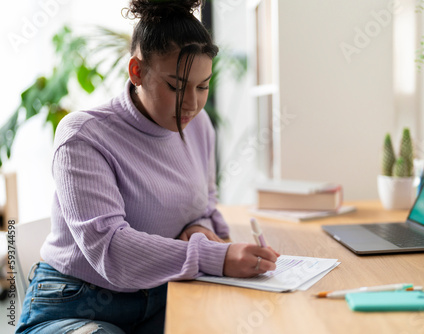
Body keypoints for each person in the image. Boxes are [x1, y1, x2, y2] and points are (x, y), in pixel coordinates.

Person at [16, 1, 279, 333]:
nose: (192, 104)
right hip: (76, 303)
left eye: (203, 86)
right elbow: (111, 250)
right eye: (176, 86)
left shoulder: (199, 127)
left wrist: (199, 227)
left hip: (161, 293)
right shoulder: (83, 136)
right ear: (136, 71)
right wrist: (216, 257)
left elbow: (205, 204)